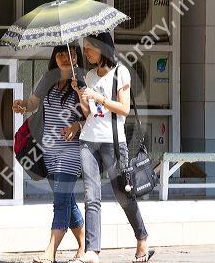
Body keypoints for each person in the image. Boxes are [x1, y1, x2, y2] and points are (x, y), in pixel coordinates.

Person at [71, 32, 153, 263]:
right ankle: (92, 251)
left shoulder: (120, 72)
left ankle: (142, 237)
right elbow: (89, 114)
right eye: (85, 48)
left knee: (122, 195)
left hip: (113, 142)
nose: (86, 53)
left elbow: (124, 109)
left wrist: (98, 95)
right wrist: (81, 96)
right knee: (91, 195)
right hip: (88, 140)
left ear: (102, 48)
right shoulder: (88, 75)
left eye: (89, 48)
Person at [13, 45, 86, 263]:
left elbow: (94, 115)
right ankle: (84, 246)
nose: (64, 57)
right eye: (60, 53)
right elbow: (33, 103)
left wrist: (78, 125)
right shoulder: (49, 79)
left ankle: (50, 252)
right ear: (55, 57)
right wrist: (22, 106)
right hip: (49, 153)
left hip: (71, 153)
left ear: (76, 56)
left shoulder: (82, 81)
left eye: (70, 53)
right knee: (67, 200)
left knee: (60, 202)